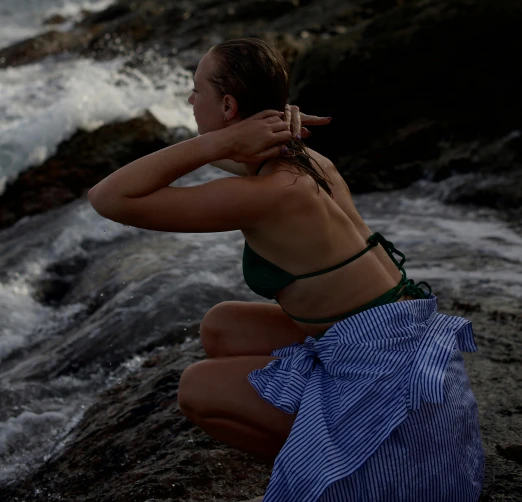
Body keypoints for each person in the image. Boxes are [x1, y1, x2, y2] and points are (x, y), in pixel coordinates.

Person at [88, 36, 484, 502]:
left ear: (229, 105)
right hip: (398, 332)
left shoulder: (271, 194)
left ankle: (320, 471)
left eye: (197, 91)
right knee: (221, 326)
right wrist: (251, 128)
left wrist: (224, 138)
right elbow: (220, 153)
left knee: (196, 387)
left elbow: (108, 198)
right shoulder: (308, 161)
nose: (189, 101)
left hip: (383, 377)